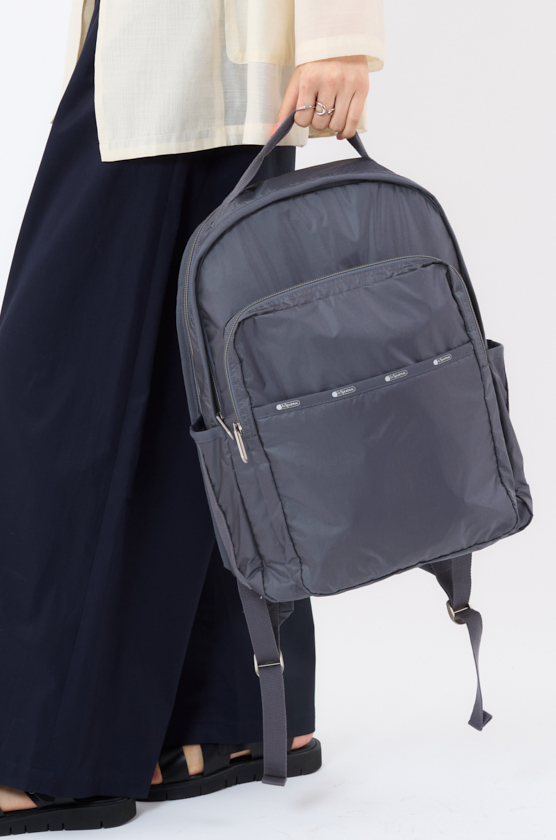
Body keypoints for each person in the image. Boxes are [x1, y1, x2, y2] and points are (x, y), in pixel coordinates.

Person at [0, 0, 384, 832]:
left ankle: (52, 753)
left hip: (195, 51)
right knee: (203, 386)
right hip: (175, 52)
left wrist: (339, 36)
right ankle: (234, 715)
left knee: (63, 382)